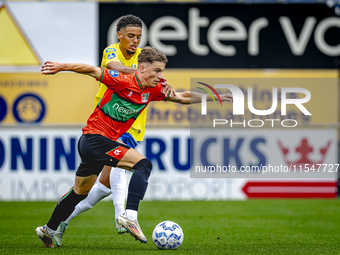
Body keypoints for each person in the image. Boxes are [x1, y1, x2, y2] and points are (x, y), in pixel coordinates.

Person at [35, 46, 233, 247]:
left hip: (95, 144)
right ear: (142, 68)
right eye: (157, 71)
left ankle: (48, 230)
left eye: (162, 71)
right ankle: (128, 216)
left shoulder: (153, 90)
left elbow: (182, 97)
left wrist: (214, 96)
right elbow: (91, 70)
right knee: (143, 165)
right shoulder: (121, 79)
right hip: (95, 138)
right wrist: (62, 66)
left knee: (79, 192)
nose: (160, 76)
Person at [51, 14, 175, 247]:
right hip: (108, 121)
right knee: (119, 173)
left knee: (104, 184)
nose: (135, 41)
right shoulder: (113, 52)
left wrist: (160, 79)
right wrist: (145, 74)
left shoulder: (145, 58)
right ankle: (123, 216)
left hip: (132, 124)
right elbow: (112, 67)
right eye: (130, 36)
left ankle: (62, 222)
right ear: (119, 35)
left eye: (139, 36)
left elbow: (162, 83)